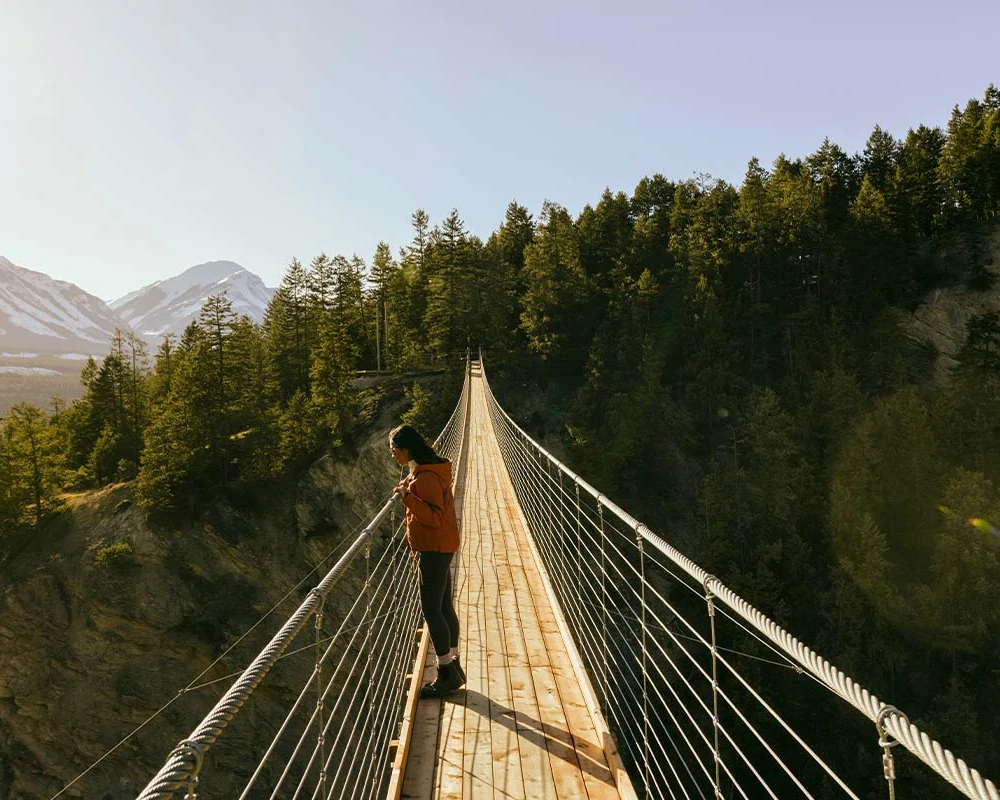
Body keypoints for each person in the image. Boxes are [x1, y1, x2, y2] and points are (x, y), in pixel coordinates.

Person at [389, 424, 466, 697]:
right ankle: (453, 666)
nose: (393, 454)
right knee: (444, 606)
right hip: (441, 546)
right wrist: (408, 487)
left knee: (432, 610)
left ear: (407, 448)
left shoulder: (426, 478)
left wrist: (407, 497)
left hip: (434, 548)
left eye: (394, 449)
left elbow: (433, 517)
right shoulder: (424, 472)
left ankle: (446, 673)